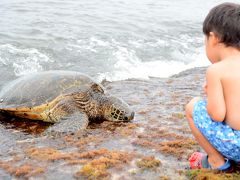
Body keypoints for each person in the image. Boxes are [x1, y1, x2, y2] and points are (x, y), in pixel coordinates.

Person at [185, 2, 240, 171]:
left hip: (237, 145)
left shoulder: (216, 70)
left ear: (214, 38)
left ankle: (217, 161)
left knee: (192, 106)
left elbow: (217, 115)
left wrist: (210, 95)